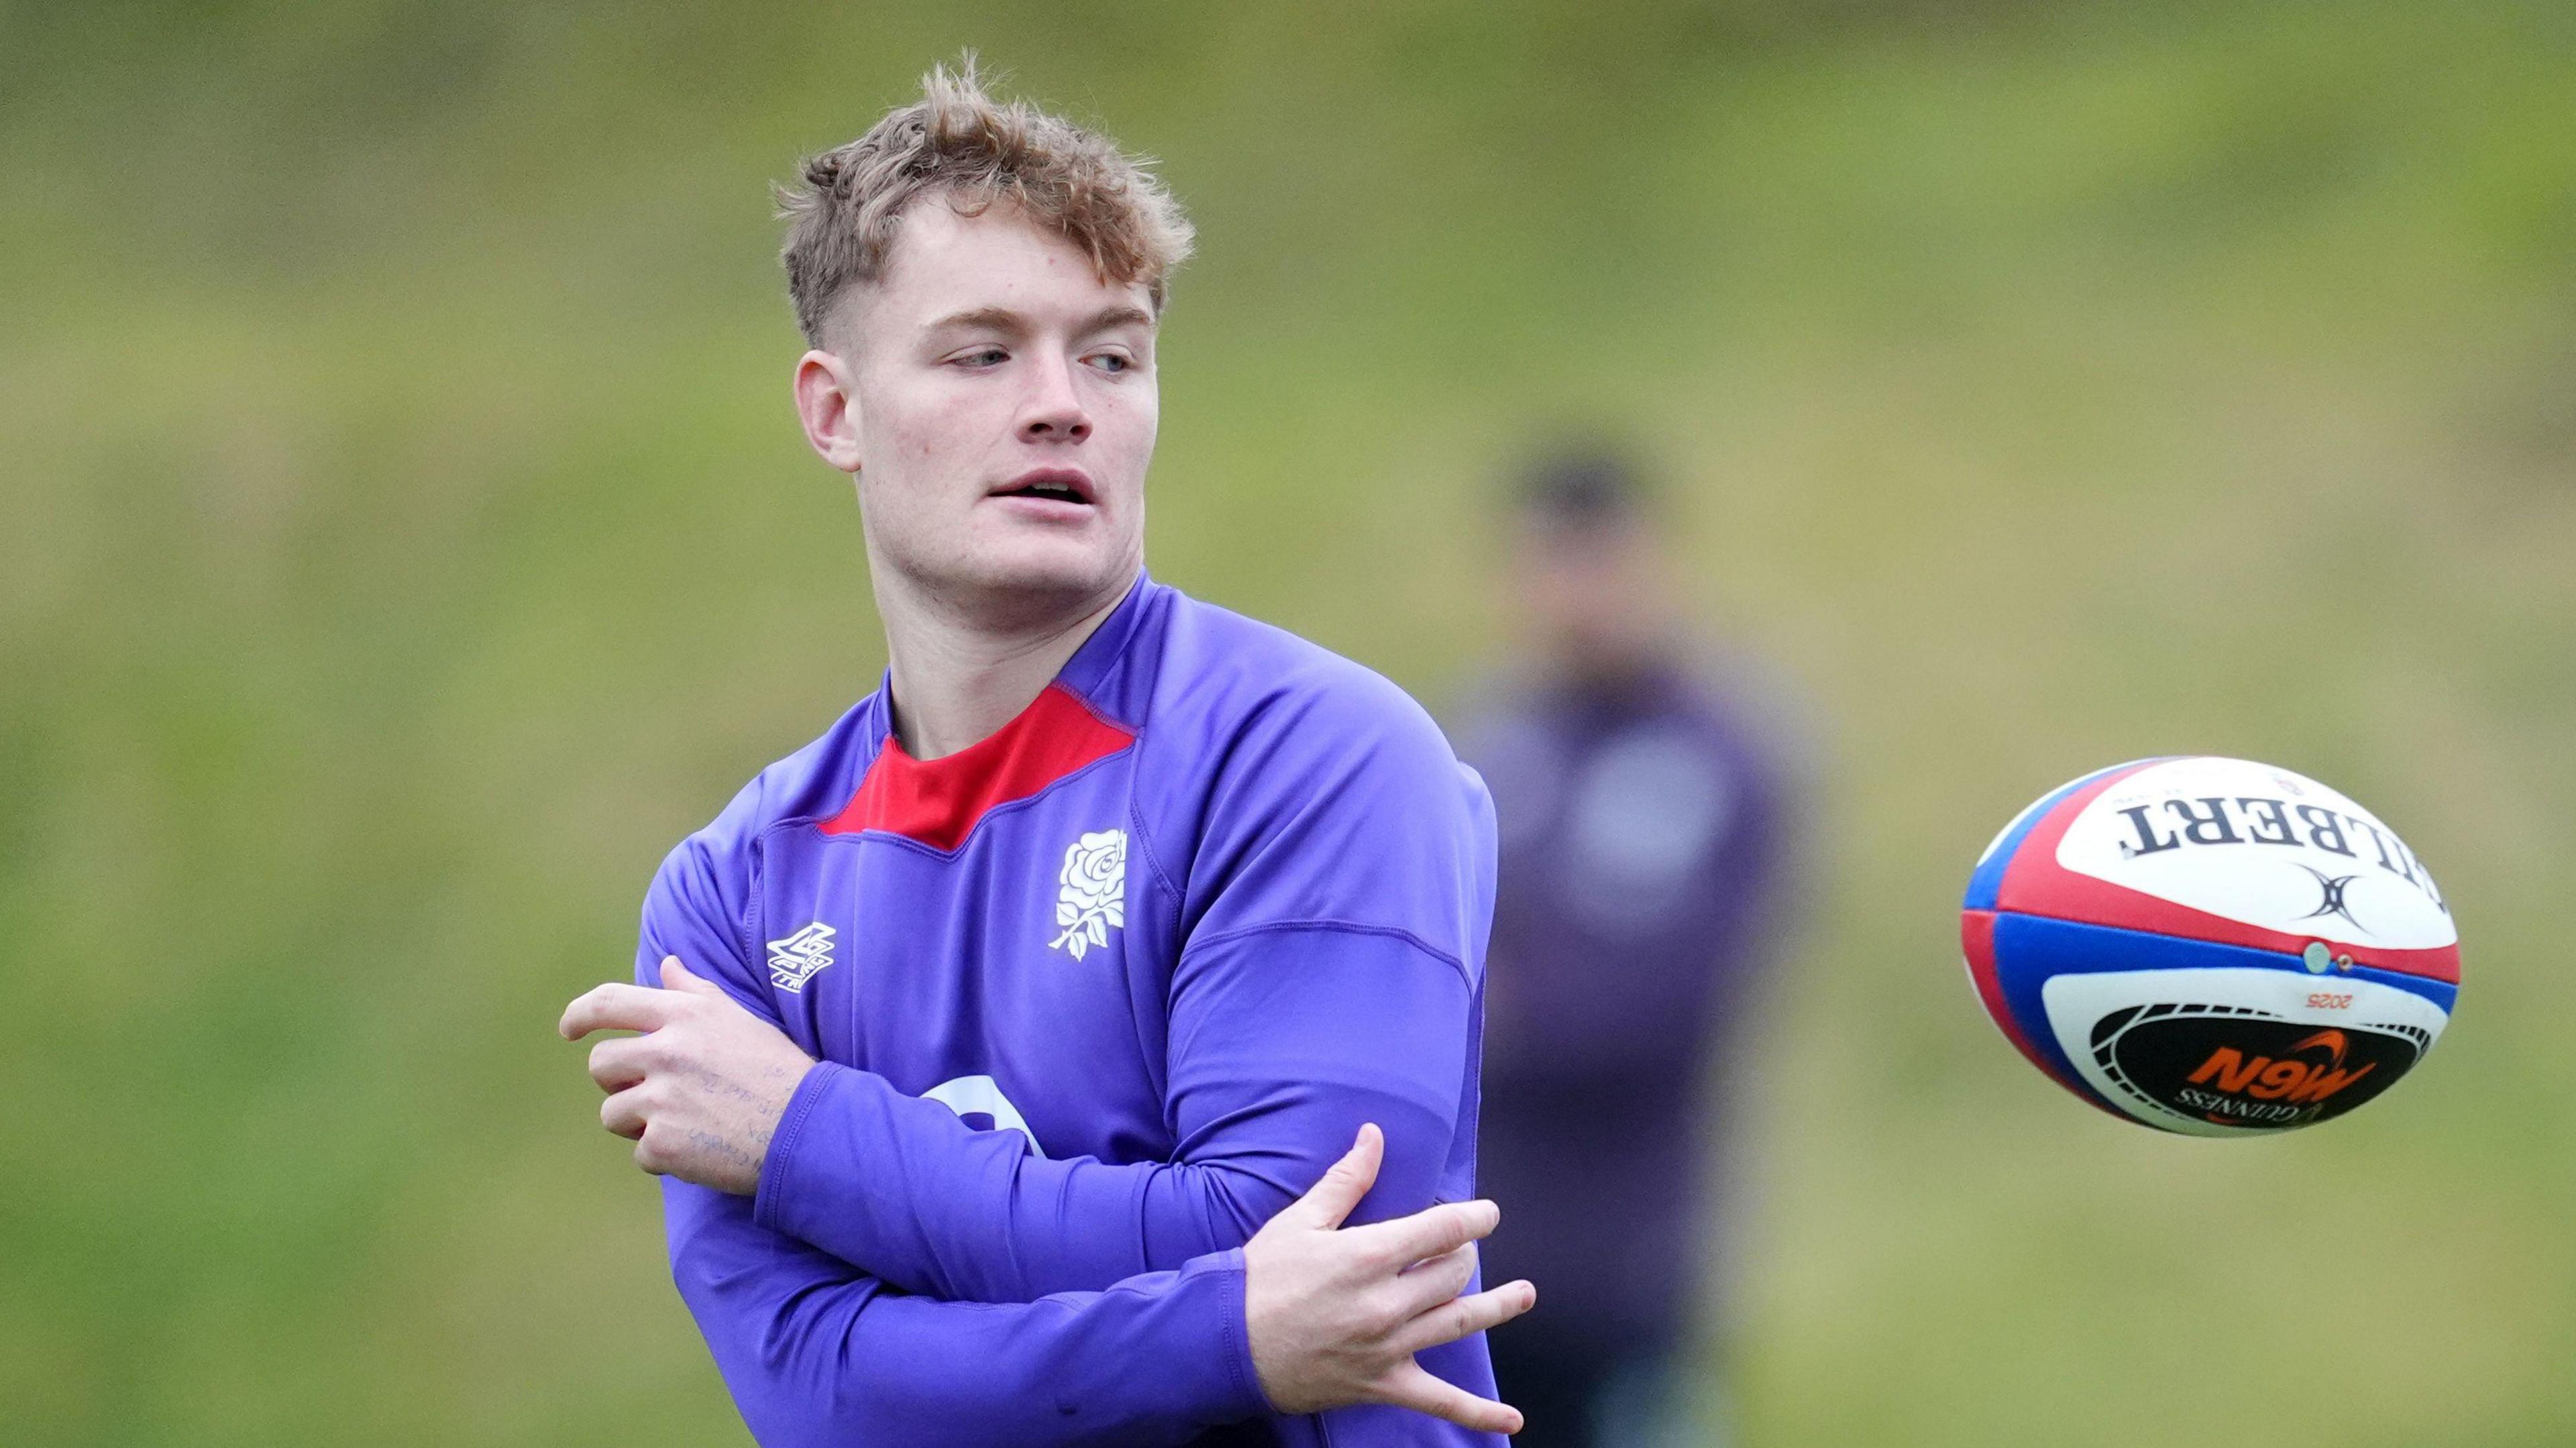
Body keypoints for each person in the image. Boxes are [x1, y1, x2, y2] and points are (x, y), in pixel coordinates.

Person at [555, 61, 1532, 1447]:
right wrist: (1223, 1332)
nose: (1063, 402)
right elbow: (822, 1394)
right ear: (834, 412)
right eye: (983, 353)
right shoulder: (732, 896)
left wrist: (803, 1139)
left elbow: (1307, 1254)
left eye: (1112, 354)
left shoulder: (1317, 757)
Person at [1456, 449, 1801, 1447]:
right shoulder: (1486, 745)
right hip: (1461, 1259)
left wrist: (1492, 997)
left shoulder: (1719, 755)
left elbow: (1649, 1005)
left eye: (1597, 563)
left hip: (1624, 1266)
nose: (1574, 598)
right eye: (1547, 565)